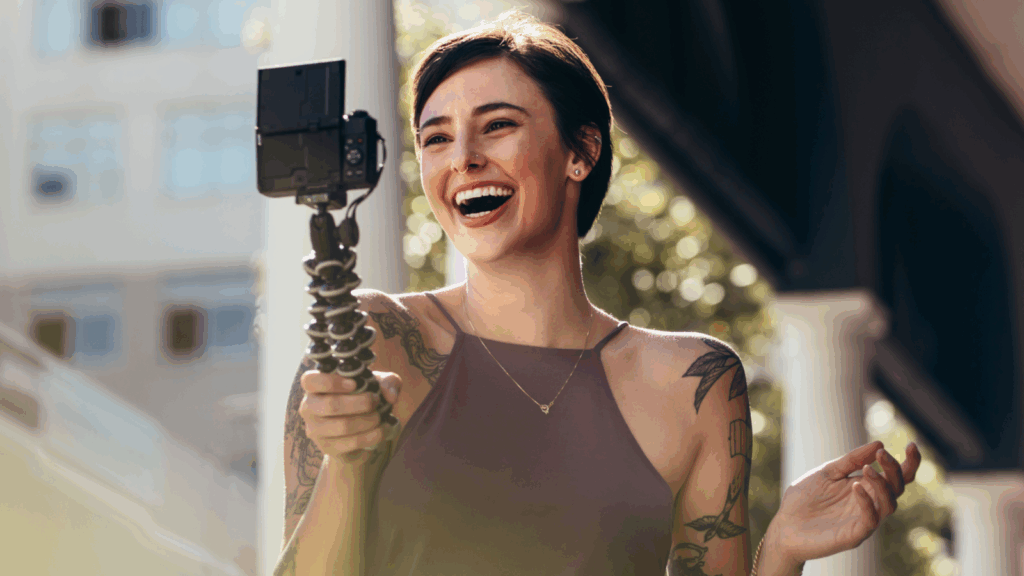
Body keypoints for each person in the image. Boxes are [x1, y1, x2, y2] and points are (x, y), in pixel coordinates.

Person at [276, 10, 922, 576]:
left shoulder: (693, 383)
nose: (462, 158)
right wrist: (347, 468)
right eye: (436, 137)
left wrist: (781, 550)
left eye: (497, 125)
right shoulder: (371, 341)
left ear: (580, 152)